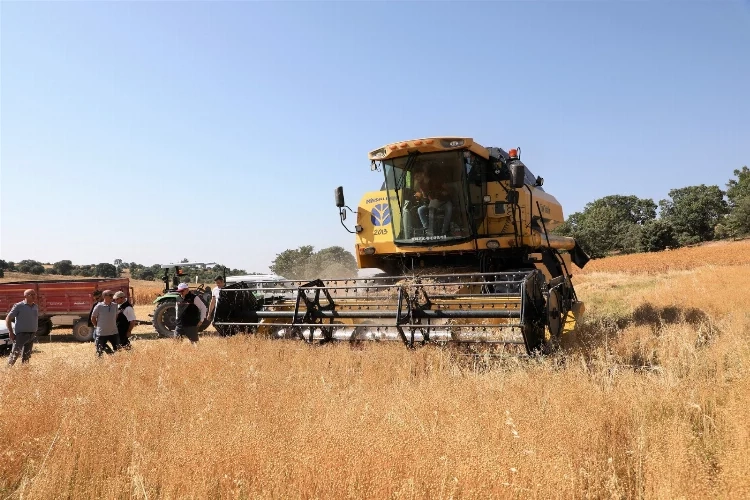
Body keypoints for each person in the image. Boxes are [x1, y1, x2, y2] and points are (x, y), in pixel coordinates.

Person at [413, 166, 453, 236]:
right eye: (415, 177)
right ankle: (427, 229)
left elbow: (447, 189)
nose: (416, 178)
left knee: (449, 208)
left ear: (423, 174)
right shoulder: (421, 185)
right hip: (433, 202)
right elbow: (426, 197)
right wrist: (421, 197)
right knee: (420, 210)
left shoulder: (434, 180)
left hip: (444, 201)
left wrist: (444, 192)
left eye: (417, 176)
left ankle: (443, 231)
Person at [6, 289, 39, 366]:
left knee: (27, 356)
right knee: (15, 354)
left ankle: (24, 372)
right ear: (25, 296)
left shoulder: (35, 306)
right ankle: (7, 370)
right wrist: (10, 332)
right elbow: (8, 318)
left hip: (32, 335)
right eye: (31, 295)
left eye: (34, 294)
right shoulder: (19, 306)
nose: (34, 296)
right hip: (21, 335)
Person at [91, 290, 120, 356]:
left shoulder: (115, 306)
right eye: (110, 295)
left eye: (112, 295)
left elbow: (116, 316)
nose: (112, 296)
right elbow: (93, 318)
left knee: (118, 350)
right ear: (104, 296)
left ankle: (117, 364)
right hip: (102, 333)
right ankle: (99, 365)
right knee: (99, 352)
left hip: (114, 332)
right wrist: (98, 326)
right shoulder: (98, 306)